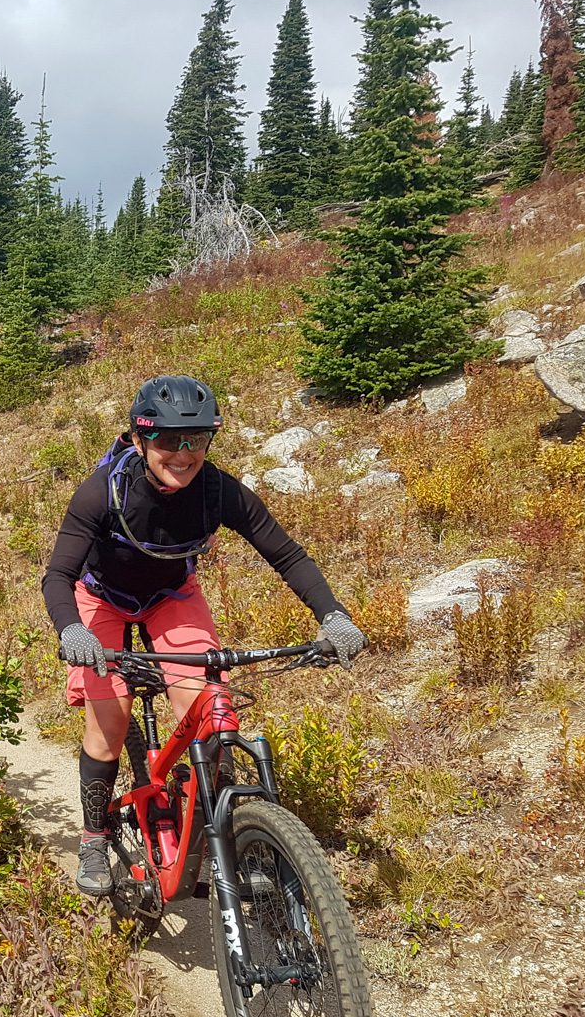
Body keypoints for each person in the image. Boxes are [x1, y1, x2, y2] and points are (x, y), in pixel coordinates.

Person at [42, 374, 366, 897]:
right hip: (100, 598)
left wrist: (333, 615)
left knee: (207, 711)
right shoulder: (103, 491)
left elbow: (286, 554)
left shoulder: (218, 491)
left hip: (171, 595)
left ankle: (217, 829)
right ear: (141, 439)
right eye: (169, 439)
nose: (184, 453)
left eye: (197, 439)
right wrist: (72, 629)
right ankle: (94, 838)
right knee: (110, 719)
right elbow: (58, 575)